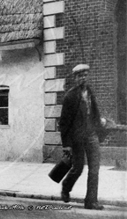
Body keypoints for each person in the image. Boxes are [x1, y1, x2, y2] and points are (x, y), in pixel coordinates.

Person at [59, 64, 105, 210]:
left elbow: (94, 112)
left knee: (94, 169)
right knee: (78, 168)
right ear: (75, 78)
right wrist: (66, 144)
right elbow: (64, 122)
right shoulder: (70, 96)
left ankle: (91, 201)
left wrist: (99, 124)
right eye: (80, 76)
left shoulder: (90, 92)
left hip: (92, 135)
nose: (83, 78)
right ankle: (66, 187)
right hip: (77, 138)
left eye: (85, 75)